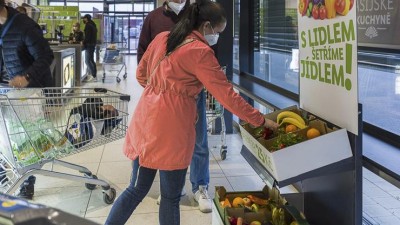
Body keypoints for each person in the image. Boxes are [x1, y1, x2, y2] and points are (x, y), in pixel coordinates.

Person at [105, 1, 278, 225]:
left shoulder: (163, 38)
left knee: (135, 189)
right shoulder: (200, 52)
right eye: (217, 32)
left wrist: (161, 89)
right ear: (206, 26)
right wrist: (260, 119)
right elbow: (227, 96)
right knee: (169, 197)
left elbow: (140, 75)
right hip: (172, 129)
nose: (216, 37)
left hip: (146, 121)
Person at [135, 0, 217, 213]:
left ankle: (200, 186)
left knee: (199, 142)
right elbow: (142, 53)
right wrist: (154, 91)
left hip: (193, 94)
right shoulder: (154, 18)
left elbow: (207, 52)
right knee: (166, 143)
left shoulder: (196, 13)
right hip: (164, 97)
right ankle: (172, 188)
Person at [0, 0, 54, 199]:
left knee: (26, 143)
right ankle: (4, 177)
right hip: (4, 92)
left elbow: (46, 56)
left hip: (27, 93)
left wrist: (26, 77)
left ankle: (27, 182)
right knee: (4, 142)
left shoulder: (24, 26)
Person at [82, 14, 97, 82]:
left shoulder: (88, 25)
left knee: (88, 61)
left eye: (84, 18)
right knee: (91, 60)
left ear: (86, 19)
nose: (83, 20)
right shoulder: (93, 24)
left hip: (89, 45)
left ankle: (93, 75)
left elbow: (88, 36)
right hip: (92, 44)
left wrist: (83, 42)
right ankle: (93, 74)